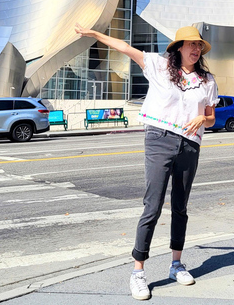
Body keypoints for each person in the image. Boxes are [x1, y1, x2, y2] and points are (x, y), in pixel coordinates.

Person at [74, 23, 217, 301]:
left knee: (180, 207)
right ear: (178, 48)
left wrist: (204, 119)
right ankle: (138, 272)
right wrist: (94, 35)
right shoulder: (159, 66)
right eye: (192, 44)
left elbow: (210, 116)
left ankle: (176, 264)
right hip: (159, 138)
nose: (197, 49)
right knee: (152, 205)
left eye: (199, 45)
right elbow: (124, 48)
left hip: (190, 144)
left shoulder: (207, 80)